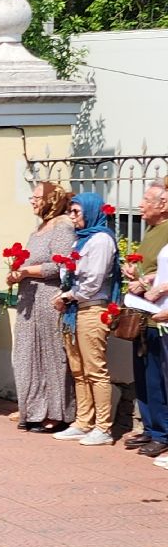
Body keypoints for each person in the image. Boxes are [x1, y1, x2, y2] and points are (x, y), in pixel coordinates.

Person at [4, 182, 76, 434]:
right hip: (28, 300)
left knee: (52, 357)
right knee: (25, 355)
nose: (32, 201)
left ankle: (57, 413)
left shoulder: (63, 226)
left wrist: (26, 271)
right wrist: (16, 273)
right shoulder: (39, 229)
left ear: (50, 200)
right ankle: (32, 409)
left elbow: (62, 265)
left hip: (48, 298)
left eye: (36, 197)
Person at [51, 192, 121, 445]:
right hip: (73, 310)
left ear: (91, 212)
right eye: (70, 211)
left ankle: (103, 427)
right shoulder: (81, 239)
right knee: (78, 369)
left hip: (92, 309)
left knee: (95, 370)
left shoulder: (101, 239)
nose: (71, 216)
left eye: (76, 212)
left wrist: (67, 295)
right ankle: (83, 421)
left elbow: (93, 281)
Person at [122, 183, 168, 456]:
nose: (140, 204)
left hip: (158, 313)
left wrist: (146, 281)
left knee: (156, 377)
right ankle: (150, 428)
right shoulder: (150, 230)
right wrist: (135, 273)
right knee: (142, 374)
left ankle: (162, 432)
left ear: (163, 205)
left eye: (146, 200)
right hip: (143, 311)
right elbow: (152, 269)